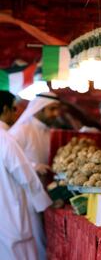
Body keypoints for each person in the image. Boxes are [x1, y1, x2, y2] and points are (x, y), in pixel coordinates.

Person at [0, 91, 52, 260]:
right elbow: (25, 174)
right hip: (10, 214)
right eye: (14, 108)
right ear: (5, 109)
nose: (16, 113)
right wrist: (44, 203)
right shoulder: (5, 139)